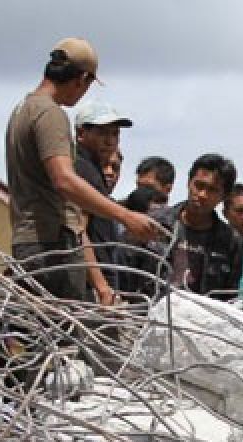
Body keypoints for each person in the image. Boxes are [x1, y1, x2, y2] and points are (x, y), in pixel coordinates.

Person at [5, 38, 157, 303]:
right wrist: (126, 216)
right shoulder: (50, 114)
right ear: (82, 79)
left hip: (30, 241)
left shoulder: (22, 110)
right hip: (50, 243)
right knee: (64, 339)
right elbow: (64, 180)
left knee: (42, 337)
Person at [147, 154, 243, 299]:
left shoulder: (231, 242)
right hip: (150, 314)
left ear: (224, 196)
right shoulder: (155, 222)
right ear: (189, 183)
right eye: (199, 186)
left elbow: (229, 296)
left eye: (212, 190)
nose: (202, 195)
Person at [73, 101, 132, 303]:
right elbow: (78, 232)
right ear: (82, 134)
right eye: (102, 133)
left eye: (115, 134)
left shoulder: (92, 170)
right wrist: (102, 287)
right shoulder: (82, 170)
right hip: (88, 288)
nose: (109, 141)